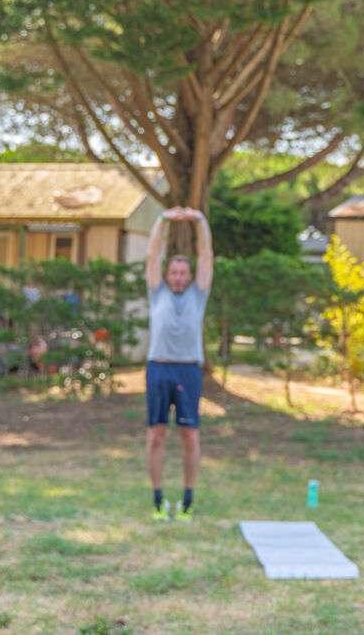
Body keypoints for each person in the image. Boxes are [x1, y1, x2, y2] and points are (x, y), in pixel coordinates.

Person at [143, 206, 213, 523]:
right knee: (156, 435)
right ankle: (158, 499)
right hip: (158, 368)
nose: (179, 277)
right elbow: (152, 255)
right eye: (174, 272)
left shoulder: (198, 294)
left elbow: (206, 255)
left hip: (187, 369)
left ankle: (187, 499)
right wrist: (162, 219)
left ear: (190, 276)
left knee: (190, 436)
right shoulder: (157, 292)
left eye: (184, 272)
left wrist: (199, 220)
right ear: (167, 275)